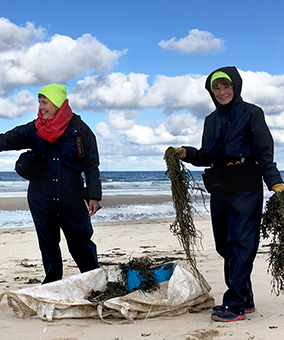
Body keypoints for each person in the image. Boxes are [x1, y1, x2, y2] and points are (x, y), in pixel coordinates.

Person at [174, 66, 284, 322]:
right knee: (224, 245)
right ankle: (246, 299)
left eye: (226, 86)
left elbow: (264, 152)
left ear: (236, 86)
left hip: (246, 187)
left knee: (240, 246)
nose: (222, 91)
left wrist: (276, 184)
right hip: (220, 189)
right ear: (211, 92)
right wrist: (186, 153)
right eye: (217, 88)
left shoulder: (252, 113)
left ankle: (234, 305)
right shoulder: (210, 120)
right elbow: (207, 155)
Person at [0, 84, 102, 284]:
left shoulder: (81, 130)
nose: (41, 107)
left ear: (57, 103)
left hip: (71, 198)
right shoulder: (34, 128)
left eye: (45, 102)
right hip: (41, 197)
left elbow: (91, 165)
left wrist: (93, 196)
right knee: (48, 243)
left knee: (80, 239)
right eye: (39, 102)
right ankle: (53, 283)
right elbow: (7, 140)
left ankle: (93, 280)